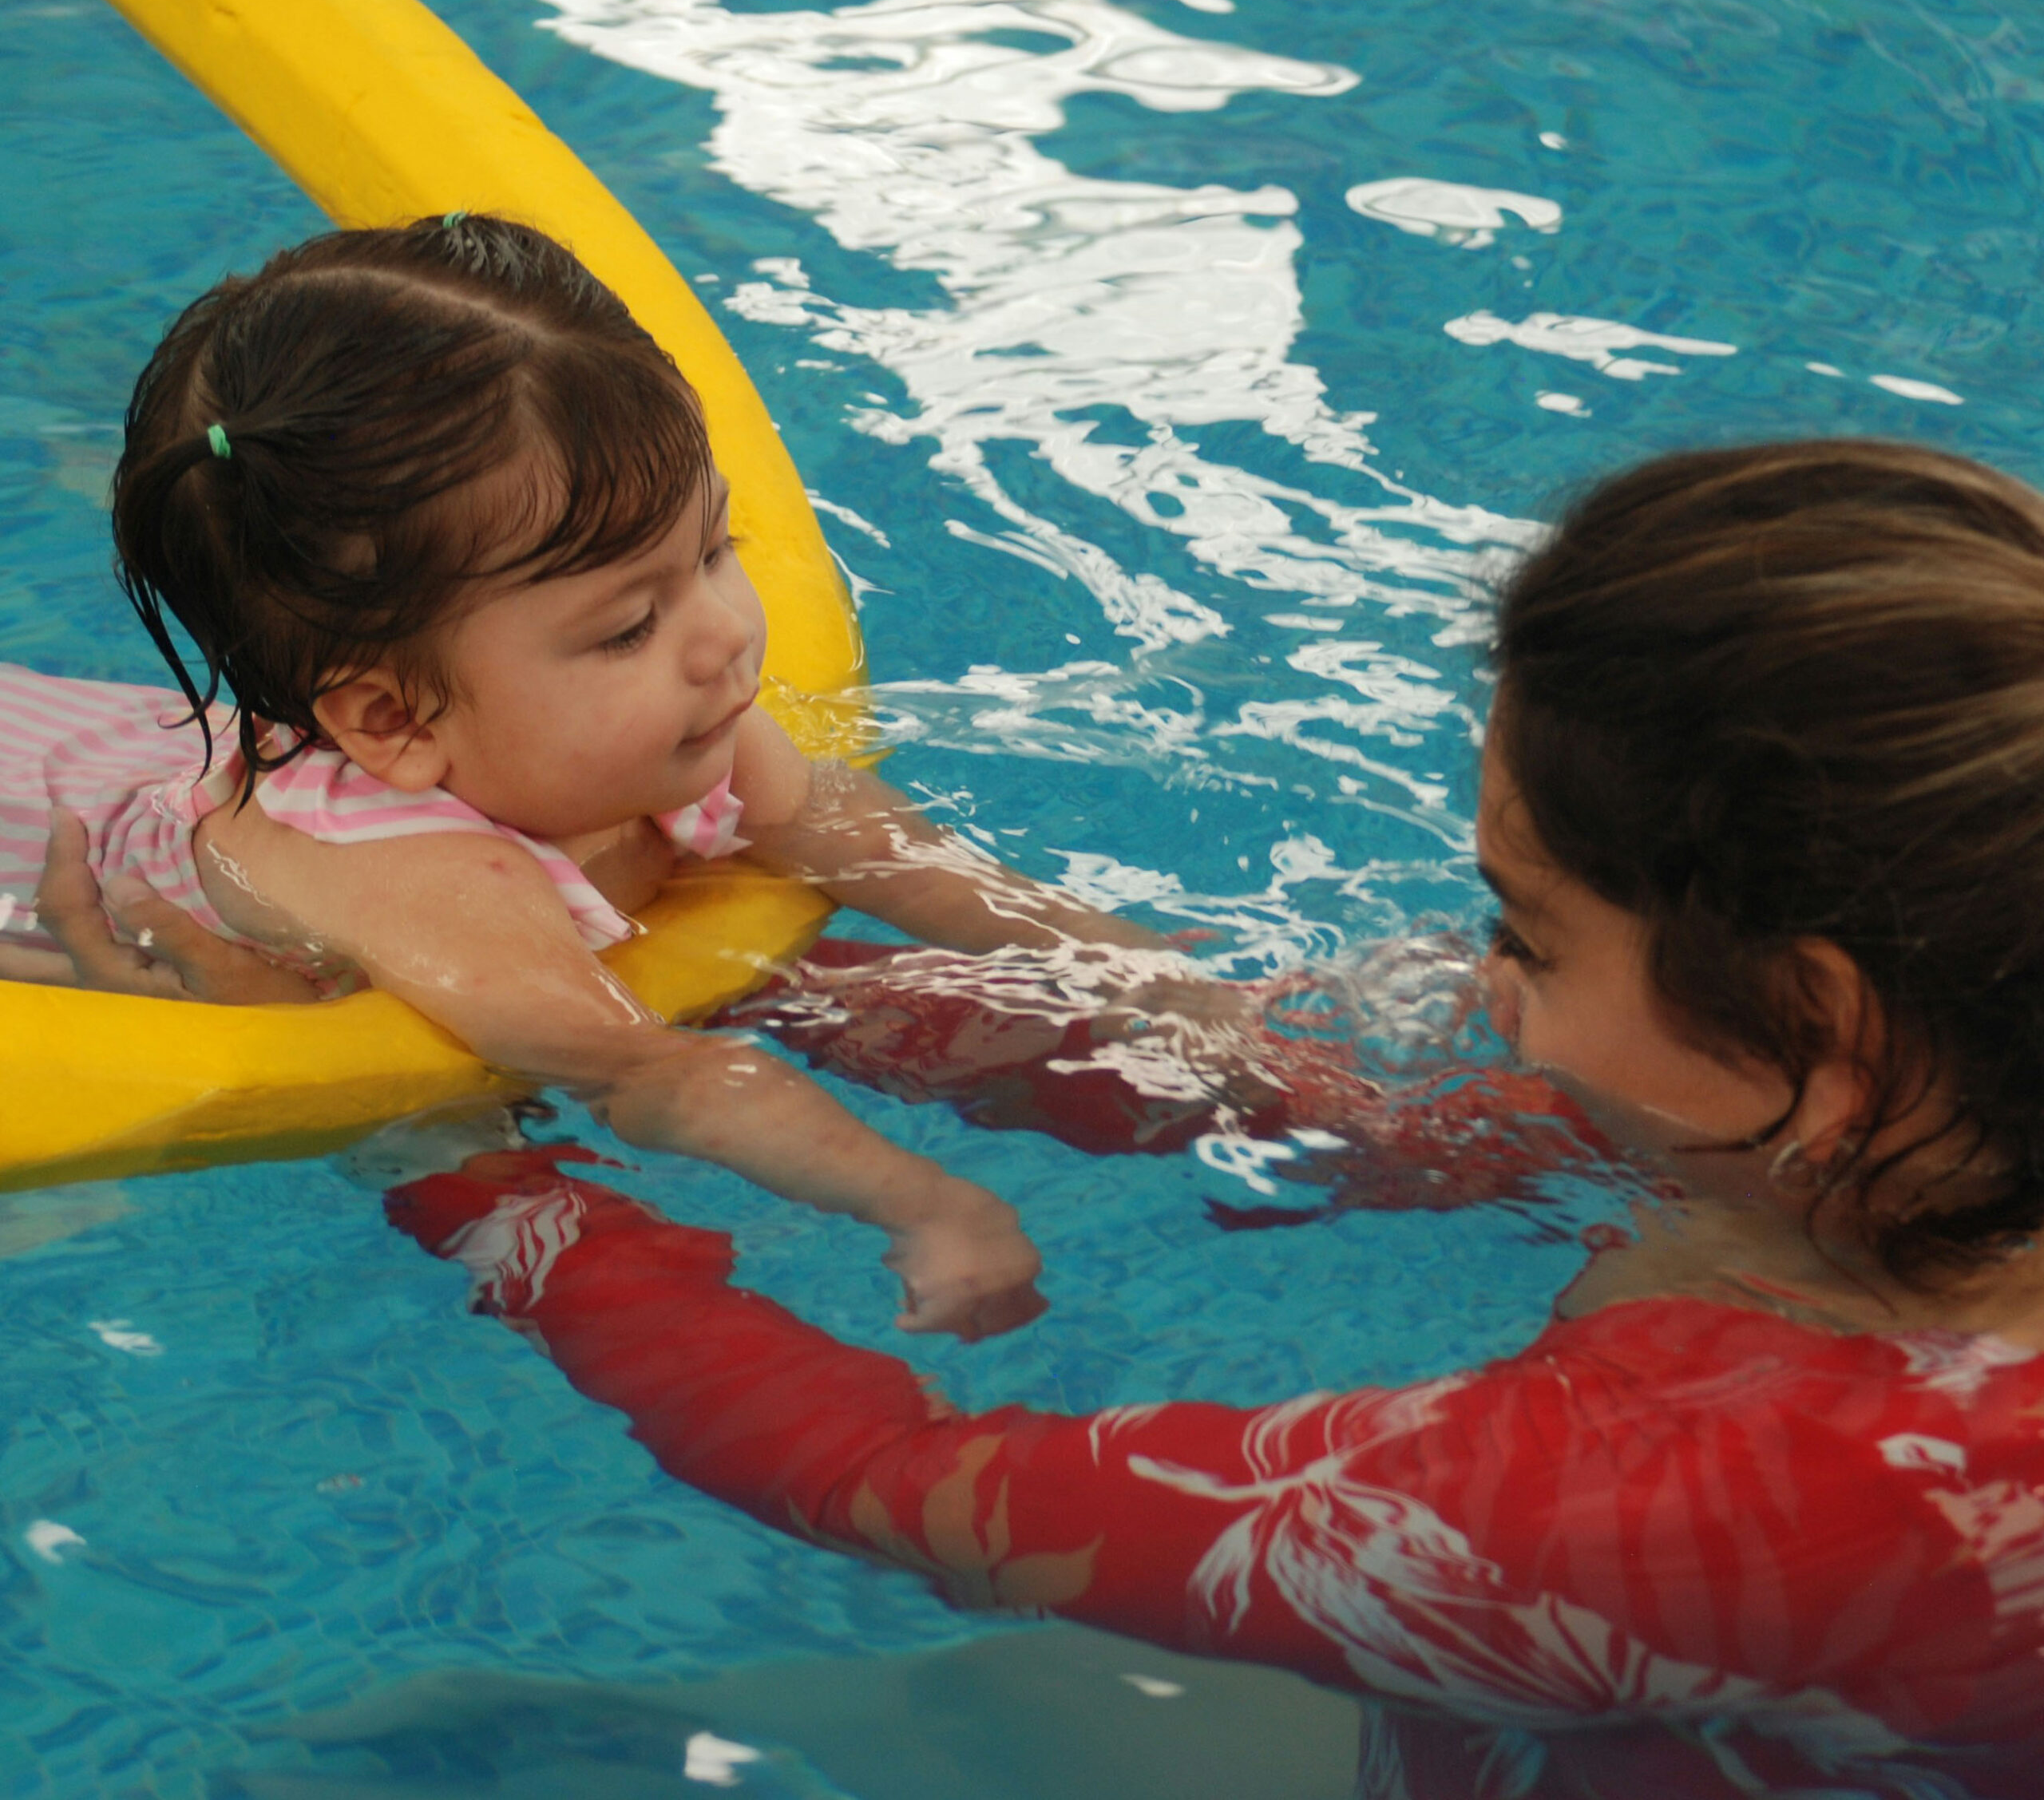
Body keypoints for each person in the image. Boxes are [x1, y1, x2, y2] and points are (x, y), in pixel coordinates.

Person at [40, 441, 2044, 1794]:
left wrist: (450, 1145)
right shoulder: (1936, 1070)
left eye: (1524, 929)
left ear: (1817, 1034)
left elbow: (888, 1480)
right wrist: (708, 974)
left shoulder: (1644, 1511)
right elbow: (1327, 1101)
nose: (1478, 981)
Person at [0, 213, 1270, 1343]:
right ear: (391, 718)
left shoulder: (660, 705)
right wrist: (925, 1199)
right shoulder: (431, 887)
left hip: (137, 740)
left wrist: (1146, 972)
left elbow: (872, 845)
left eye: (716, 547)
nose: (723, 634)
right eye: (626, 626)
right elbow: (650, 1074)